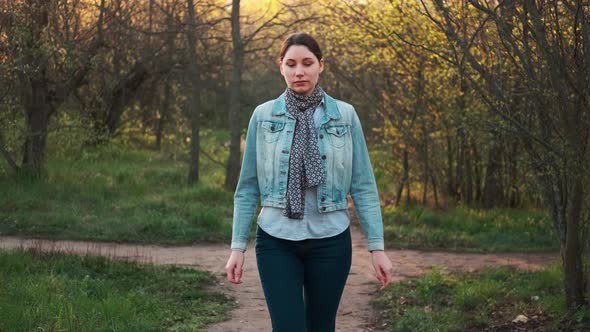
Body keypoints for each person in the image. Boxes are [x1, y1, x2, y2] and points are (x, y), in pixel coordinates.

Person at [224, 32, 393, 332]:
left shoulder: (345, 116)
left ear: (320, 65)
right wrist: (237, 247)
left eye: (307, 63)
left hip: (331, 241)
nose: (299, 71)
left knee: (321, 327)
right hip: (276, 241)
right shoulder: (263, 117)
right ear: (281, 67)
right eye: (291, 64)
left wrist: (377, 247)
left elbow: (364, 185)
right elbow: (248, 187)